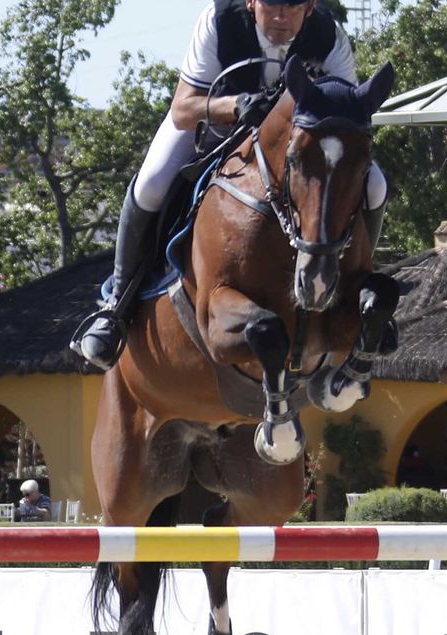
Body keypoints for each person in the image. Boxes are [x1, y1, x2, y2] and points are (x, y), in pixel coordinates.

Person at [69, 0, 390, 371]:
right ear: (251, 1)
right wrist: (236, 105)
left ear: (310, 7)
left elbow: (345, 113)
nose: (281, 16)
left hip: (291, 144)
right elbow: (183, 109)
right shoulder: (218, 22)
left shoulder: (328, 36)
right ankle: (116, 307)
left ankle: (356, 280)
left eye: (293, 7)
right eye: (271, 4)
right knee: (152, 183)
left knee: (375, 185)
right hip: (213, 128)